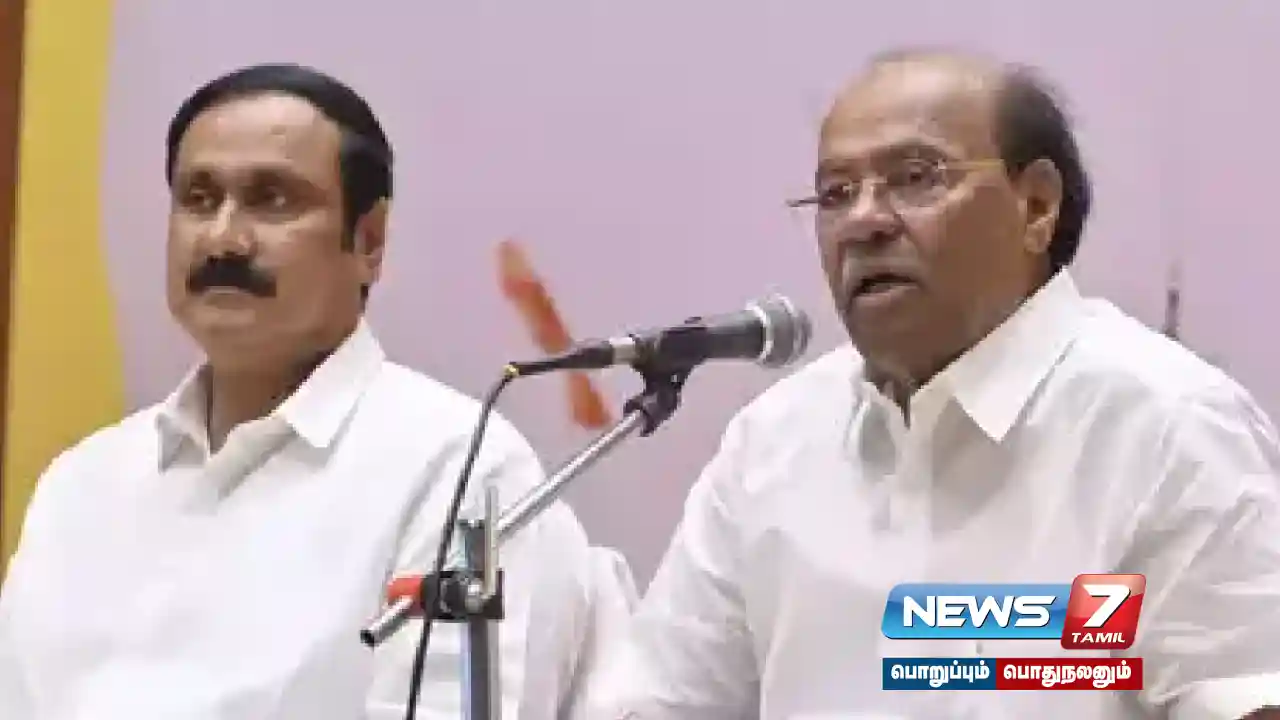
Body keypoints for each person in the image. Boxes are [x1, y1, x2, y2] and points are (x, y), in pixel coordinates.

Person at [595, 49, 1280, 719]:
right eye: (835, 195)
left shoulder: (1166, 426)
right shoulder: (775, 443)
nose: (863, 221)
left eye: (915, 178)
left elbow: (1245, 696)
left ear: (1036, 206)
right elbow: (659, 700)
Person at [0, 63, 597, 719]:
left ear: (368, 241)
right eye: (198, 198)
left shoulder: (458, 468)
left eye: (272, 200)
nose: (224, 238)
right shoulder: (83, 483)